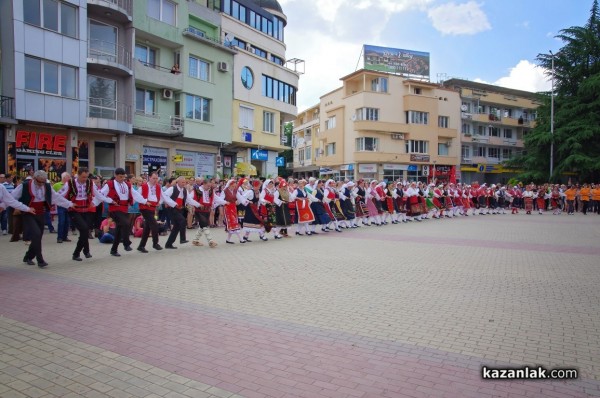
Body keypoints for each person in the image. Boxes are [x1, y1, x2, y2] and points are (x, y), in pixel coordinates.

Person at [12, 170, 73, 268]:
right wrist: (17, 207)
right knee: (36, 234)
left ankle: (28, 256)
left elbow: (56, 197)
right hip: (28, 213)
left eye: (43, 181)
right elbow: (11, 197)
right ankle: (40, 259)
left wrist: (69, 204)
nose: (41, 184)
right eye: (39, 181)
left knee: (38, 236)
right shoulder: (24, 185)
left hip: (41, 213)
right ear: (34, 178)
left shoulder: (47, 186)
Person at [63, 167, 110, 261]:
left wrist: (109, 200)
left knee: (85, 231)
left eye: (86, 177)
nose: (85, 179)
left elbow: (99, 194)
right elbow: (59, 195)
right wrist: (69, 204)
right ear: (78, 175)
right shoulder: (70, 183)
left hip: (86, 210)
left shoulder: (90, 183)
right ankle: (80, 252)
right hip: (75, 210)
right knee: (84, 229)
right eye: (83, 177)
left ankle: (83, 251)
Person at [98, 168, 146, 256]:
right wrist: (109, 200)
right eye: (120, 177)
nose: (122, 179)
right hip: (114, 209)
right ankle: (126, 243)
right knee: (126, 223)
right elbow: (100, 194)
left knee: (119, 230)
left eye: (123, 177)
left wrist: (144, 201)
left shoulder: (127, 185)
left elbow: (135, 194)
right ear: (115, 175)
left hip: (124, 209)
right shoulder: (110, 184)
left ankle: (114, 250)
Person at [162, 176, 201, 249]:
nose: (184, 184)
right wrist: (169, 203)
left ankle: (169, 244)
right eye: (182, 182)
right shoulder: (172, 189)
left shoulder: (184, 190)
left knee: (176, 227)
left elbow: (189, 200)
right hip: (172, 209)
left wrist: (198, 205)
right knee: (183, 221)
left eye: (185, 182)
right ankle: (182, 239)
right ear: (178, 182)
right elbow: (164, 196)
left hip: (180, 209)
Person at [136, 172, 164, 252]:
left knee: (147, 228)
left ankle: (141, 246)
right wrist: (144, 201)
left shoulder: (158, 187)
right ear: (149, 178)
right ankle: (155, 243)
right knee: (154, 224)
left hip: (152, 208)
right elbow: (137, 196)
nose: (155, 180)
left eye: (156, 178)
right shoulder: (143, 186)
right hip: (145, 208)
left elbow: (163, 196)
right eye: (153, 178)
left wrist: (160, 202)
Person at [53, 172, 71, 243]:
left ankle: (65, 236)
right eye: (68, 177)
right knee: (61, 221)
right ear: (64, 178)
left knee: (67, 222)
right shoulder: (57, 185)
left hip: (68, 205)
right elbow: (53, 195)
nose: (69, 178)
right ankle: (59, 237)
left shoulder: (70, 185)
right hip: (61, 205)